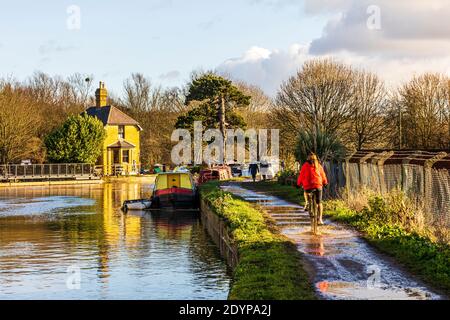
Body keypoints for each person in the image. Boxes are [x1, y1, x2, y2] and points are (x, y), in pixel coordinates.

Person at [297, 153, 328, 225]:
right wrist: (325, 182)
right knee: (319, 202)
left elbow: (301, 175)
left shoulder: (305, 165)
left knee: (305, 191)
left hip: (308, 186)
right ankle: (320, 219)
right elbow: (323, 174)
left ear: (308, 158)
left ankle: (307, 202)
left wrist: (298, 183)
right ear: (316, 159)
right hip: (318, 186)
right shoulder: (318, 165)